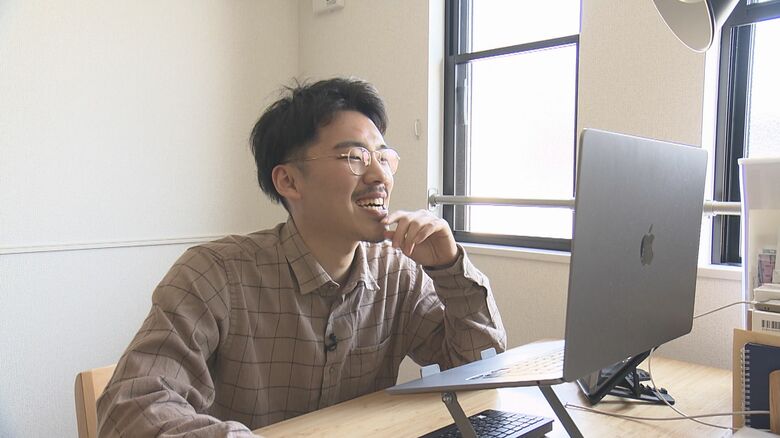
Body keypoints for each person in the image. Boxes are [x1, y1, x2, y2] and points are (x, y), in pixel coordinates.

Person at [96, 77, 506, 437]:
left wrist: (448, 267)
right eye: (355, 157)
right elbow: (131, 409)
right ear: (289, 181)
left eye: (383, 157)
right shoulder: (215, 275)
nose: (380, 176)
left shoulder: (398, 272)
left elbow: (478, 373)